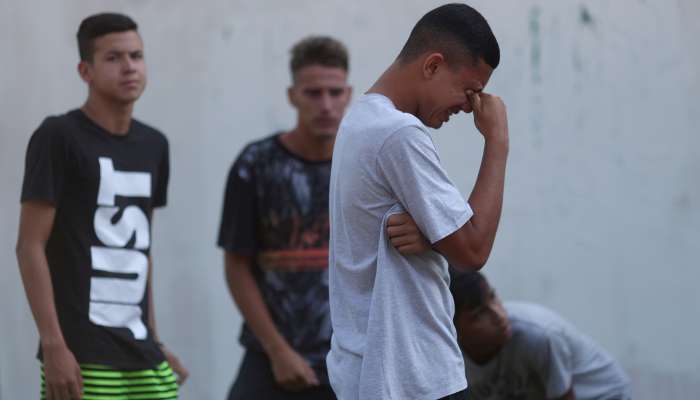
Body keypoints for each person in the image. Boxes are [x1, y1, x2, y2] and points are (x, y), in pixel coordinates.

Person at [327, 3, 508, 400]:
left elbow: (448, 240)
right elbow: (473, 249)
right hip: (409, 376)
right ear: (432, 66)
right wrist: (497, 141)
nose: (469, 107)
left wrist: (433, 237)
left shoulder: (360, 120)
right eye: (469, 90)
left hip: (369, 368)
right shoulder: (399, 134)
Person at [15, 13, 187, 400]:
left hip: (142, 355)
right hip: (82, 357)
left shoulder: (154, 144)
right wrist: (53, 346)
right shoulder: (57, 136)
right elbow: (29, 246)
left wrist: (156, 341)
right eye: (113, 58)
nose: (129, 67)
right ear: (85, 70)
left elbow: (140, 251)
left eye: (136, 55)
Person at [218, 36, 356, 400]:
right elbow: (236, 264)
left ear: (349, 94)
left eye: (334, 92)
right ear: (292, 95)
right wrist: (278, 350)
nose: (325, 104)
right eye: (313, 93)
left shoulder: (365, 163)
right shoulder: (257, 164)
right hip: (271, 360)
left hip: (350, 359)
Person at [450, 272, 632, 400]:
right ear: (454, 328)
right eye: (479, 314)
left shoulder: (538, 335)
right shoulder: (450, 358)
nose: (498, 315)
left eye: (493, 297)